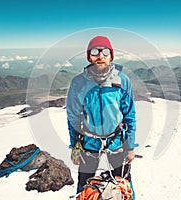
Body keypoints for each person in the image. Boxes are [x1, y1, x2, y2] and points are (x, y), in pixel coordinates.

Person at [66, 36, 137, 196]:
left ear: (111, 56)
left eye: (105, 52)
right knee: (84, 186)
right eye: (95, 52)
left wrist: (130, 146)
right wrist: (75, 148)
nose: (100, 56)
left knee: (124, 183)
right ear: (89, 56)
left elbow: (129, 115)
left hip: (116, 142)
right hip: (89, 143)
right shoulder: (78, 83)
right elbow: (73, 119)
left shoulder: (122, 81)